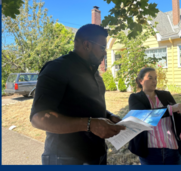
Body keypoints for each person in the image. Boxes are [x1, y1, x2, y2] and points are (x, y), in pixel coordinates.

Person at [30, 24, 126, 165]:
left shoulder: (94, 72)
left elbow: (89, 105)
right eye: (102, 47)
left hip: (98, 154)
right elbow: (38, 118)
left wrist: (109, 116)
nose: (105, 53)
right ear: (87, 45)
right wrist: (90, 124)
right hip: (65, 158)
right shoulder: (57, 68)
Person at [128, 67, 181, 165]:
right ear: (140, 81)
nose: (154, 81)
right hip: (150, 152)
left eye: (155, 78)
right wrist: (170, 109)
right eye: (150, 78)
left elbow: (177, 118)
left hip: (173, 149)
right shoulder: (135, 98)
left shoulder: (166, 95)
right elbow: (143, 117)